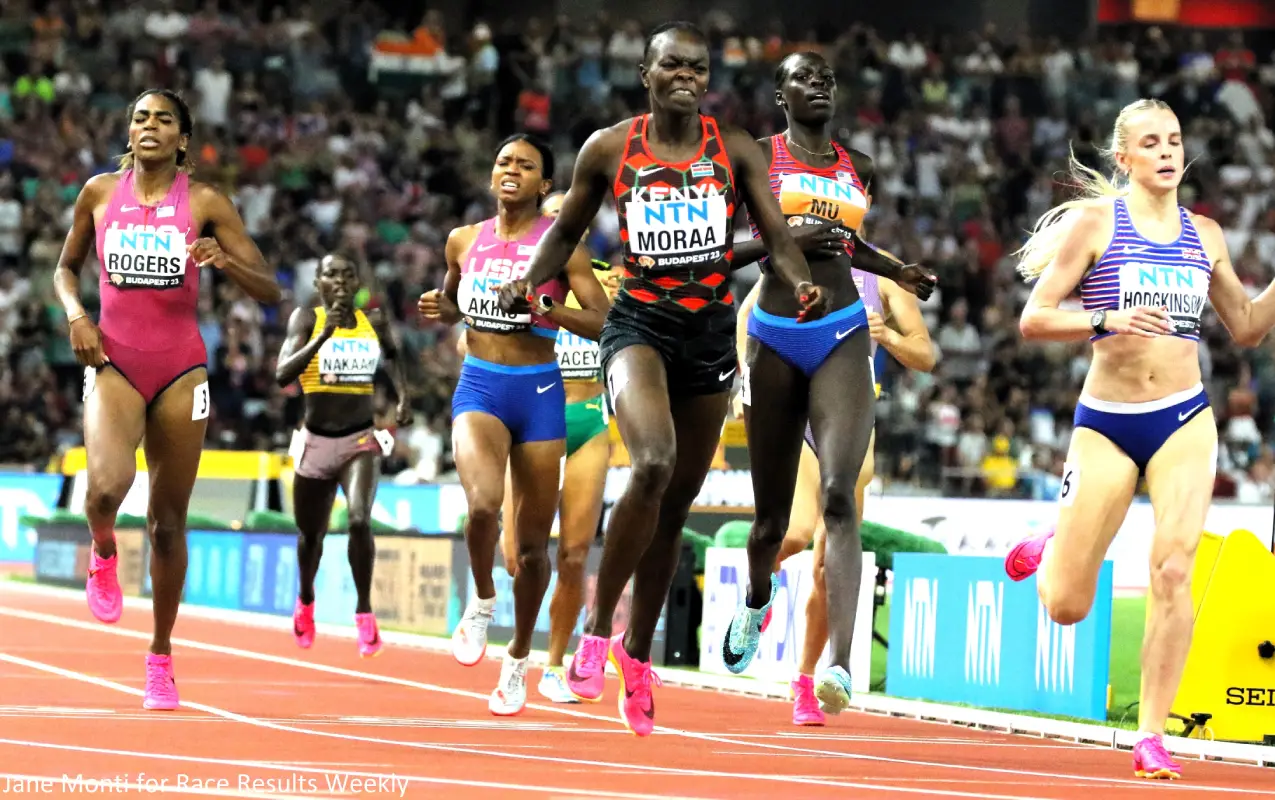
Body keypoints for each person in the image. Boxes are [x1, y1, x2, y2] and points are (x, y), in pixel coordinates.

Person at [495, 21, 831, 738]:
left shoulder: (732, 147)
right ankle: (593, 630)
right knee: (651, 462)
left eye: (697, 66)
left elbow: (774, 232)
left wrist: (799, 282)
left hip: (708, 336)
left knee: (672, 510)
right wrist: (527, 280)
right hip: (637, 325)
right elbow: (565, 232)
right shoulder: (610, 148)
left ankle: (635, 656)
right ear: (645, 74)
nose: (686, 75)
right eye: (671, 65)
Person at [1006, 98, 1275, 780]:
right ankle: (1052, 546)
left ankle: (1152, 735)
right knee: (1066, 606)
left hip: (1183, 418)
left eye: (1173, 140)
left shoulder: (1204, 234)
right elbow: (1033, 319)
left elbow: (1244, 327)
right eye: (1149, 142)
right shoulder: (1098, 224)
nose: (1165, 151)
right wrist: (1106, 317)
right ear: (1123, 158)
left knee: (1173, 568)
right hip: (1105, 423)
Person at [716, 51, 936, 717]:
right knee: (771, 522)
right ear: (780, 94)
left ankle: (838, 665)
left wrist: (899, 272)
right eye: (803, 78)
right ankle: (757, 600)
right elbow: (725, 251)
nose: (818, 86)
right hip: (774, 331)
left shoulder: (856, 165)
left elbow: (848, 248)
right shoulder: (753, 156)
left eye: (826, 78)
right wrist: (788, 235)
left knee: (840, 498)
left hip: (841, 330)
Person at [56, 89, 280, 710]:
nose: (149, 127)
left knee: (167, 524)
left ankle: (159, 657)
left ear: (183, 138)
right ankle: (103, 549)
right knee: (105, 489)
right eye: (139, 118)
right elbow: (64, 268)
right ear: (128, 132)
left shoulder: (205, 201)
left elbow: (268, 288)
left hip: (182, 368)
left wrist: (224, 260)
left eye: (163, 120)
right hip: (114, 359)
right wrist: (77, 315)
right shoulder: (100, 193)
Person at [417, 134, 610, 716]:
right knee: (480, 507)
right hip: (480, 386)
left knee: (531, 552)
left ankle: (520, 658)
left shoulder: (562, 248)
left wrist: (547, 310)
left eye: (527, 166)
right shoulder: (463, 239)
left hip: (542, 394)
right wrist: (443, 306)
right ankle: (480, 601)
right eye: (505, 161)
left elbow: (603, 320)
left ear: (545, 185)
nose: (513, 170)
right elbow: (456, 302)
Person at [736, 247, 936, 725]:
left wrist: (886, 334)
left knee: (828, 564)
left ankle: (809, 680)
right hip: (793, 409)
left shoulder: (884, 273)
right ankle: (757, 592)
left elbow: (926, 354)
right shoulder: (786, 255)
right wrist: (751, 383)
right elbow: (746, 322)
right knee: (794, 533)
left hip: (846, 414)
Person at [493, 191, 622, 704]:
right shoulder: (512, 278)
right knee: (516, 558)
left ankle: (553, 666)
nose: (563, 222)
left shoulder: (606, 280)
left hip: (588, 418)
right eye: (553, 216)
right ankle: (518, 653)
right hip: (532, 419)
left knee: (572, 555)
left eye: (573, 215)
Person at [275, 254, 413, 658]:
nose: (339, 281)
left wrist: (403, 397)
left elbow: (393, 356)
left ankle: (364, 611)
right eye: (331, 274)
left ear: (357, 283)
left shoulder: (375, 322)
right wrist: (323, 337)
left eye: (347, 275)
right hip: (315, 443)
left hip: (360, 440)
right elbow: (283, 374)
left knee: (357, 520)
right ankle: (305, 598)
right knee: (311, 537)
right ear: (318, 281)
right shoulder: (306, 319)